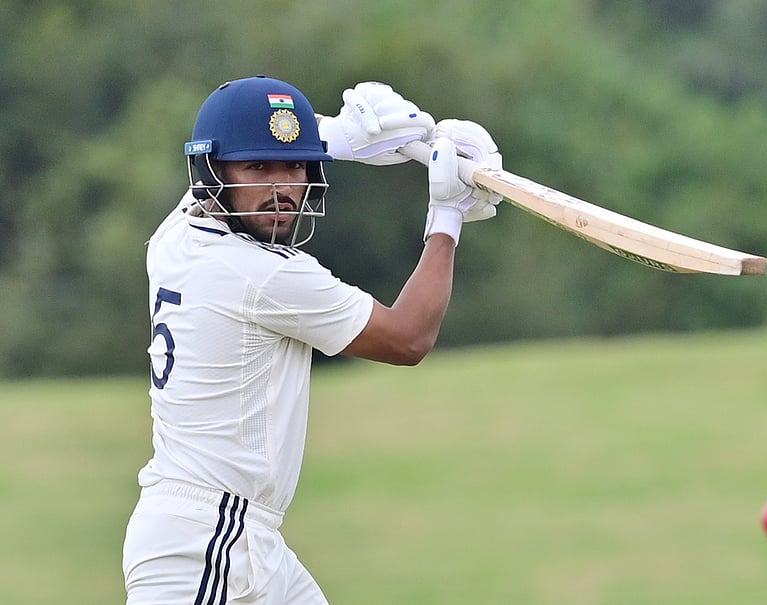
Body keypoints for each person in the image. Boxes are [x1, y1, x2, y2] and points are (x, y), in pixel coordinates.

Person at [121, 75, 502, 605]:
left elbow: (259, 136)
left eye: (295, 165)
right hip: (207, 545)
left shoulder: (177, 233)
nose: (281, 187)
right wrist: (448, 215)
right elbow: (408, 338)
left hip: (236, 536)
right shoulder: (264, 275)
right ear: (214, 173)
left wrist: (342, 136)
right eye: (258, 167)